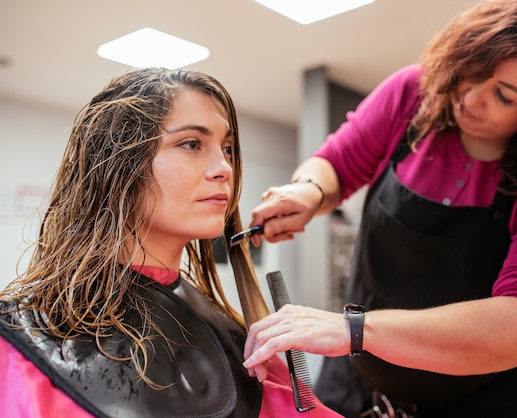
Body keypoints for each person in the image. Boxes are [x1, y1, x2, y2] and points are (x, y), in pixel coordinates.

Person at [242, 0, 517, 416]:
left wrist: (353, 330)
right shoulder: (413, 95)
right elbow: (337, 162)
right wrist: (309, 191)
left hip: (478, 403)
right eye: (475, 70)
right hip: (355, 390)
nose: (472, 97)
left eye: (503, 95)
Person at [0, 68, 341, 417]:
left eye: (227, 148)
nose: (224, 167)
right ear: (120, 165)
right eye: (191, 144)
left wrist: (358, 332)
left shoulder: (243, 344)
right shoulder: (18, 346)